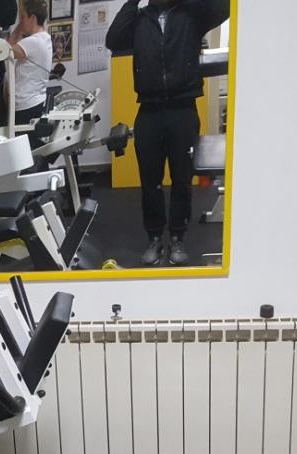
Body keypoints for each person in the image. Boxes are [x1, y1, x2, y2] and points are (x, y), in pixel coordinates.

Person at [106, 0, 230, 266]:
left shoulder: (191, 14)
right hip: (149, 111)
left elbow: (223, 7)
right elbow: (113, 40)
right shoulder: (140, 19)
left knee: (182, 180)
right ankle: (154, 238)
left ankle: (177, 238)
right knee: (149, 182)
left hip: (183, 109)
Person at [8, 0, 53, 147]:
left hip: (26, 106)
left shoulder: (33, 42)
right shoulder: (46, 38)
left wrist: (18, 28)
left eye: (23, 17)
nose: (21, 22)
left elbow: (4, 51)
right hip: (35, 102)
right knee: (31, 149)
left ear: (32, 18)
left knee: (25, 151)